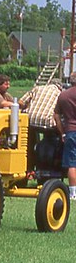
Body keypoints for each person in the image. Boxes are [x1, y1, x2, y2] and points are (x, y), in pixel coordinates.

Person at [54, 72, 76, 201]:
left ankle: (73, 192)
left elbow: (56, 115)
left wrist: (62, 132)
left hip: (71, 130)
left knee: (72, 163)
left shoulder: (63, 95)